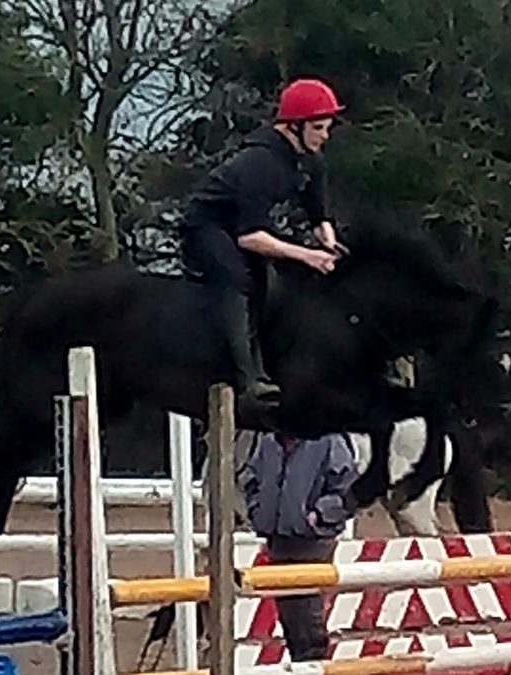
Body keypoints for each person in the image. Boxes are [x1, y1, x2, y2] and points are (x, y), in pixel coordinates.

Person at [179, 77, 347, 403]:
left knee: (269, 284)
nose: (325, 136)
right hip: (208, 226)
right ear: (293, 127)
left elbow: (319, 216)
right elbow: (249, 237)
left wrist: (329, 246)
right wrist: (307, 256)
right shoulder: (260, 164)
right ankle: (247, 377)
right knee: (238, 279)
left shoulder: (311, 159)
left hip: (248, 228)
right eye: (318, 128)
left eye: (327, 128)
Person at [240, 431, 358, 662]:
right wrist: (258, 510)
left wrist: (319, 515)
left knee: (307, 615)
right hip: (278, 538)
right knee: (290, 617)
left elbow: (348, 489)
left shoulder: (329, 441)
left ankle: (314, 664)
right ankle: (304, 662)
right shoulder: (268, 442)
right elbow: (251, 478)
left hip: (312, 541)